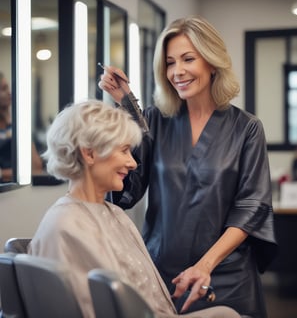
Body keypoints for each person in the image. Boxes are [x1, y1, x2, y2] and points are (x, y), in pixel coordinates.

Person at [98, 16, 278, 318]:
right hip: (161, 276)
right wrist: (128, 109)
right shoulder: (154, 121)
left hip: (227, 277)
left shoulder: (246, 128)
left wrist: (204, 266)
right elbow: (127, 190)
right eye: (169, 63)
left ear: (211, 61)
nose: (177, 71)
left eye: (188, 59)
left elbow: (252, 207)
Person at [28, 99, 240, 318]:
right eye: (124, 151)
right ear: (89, 154)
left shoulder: (115, 214)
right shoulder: (66, 226)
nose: (132, 163)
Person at [0, 71, 43, 182]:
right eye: (4, 89)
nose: (9, 93)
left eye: (8, 88)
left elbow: (36, 168)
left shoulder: (16, 126)